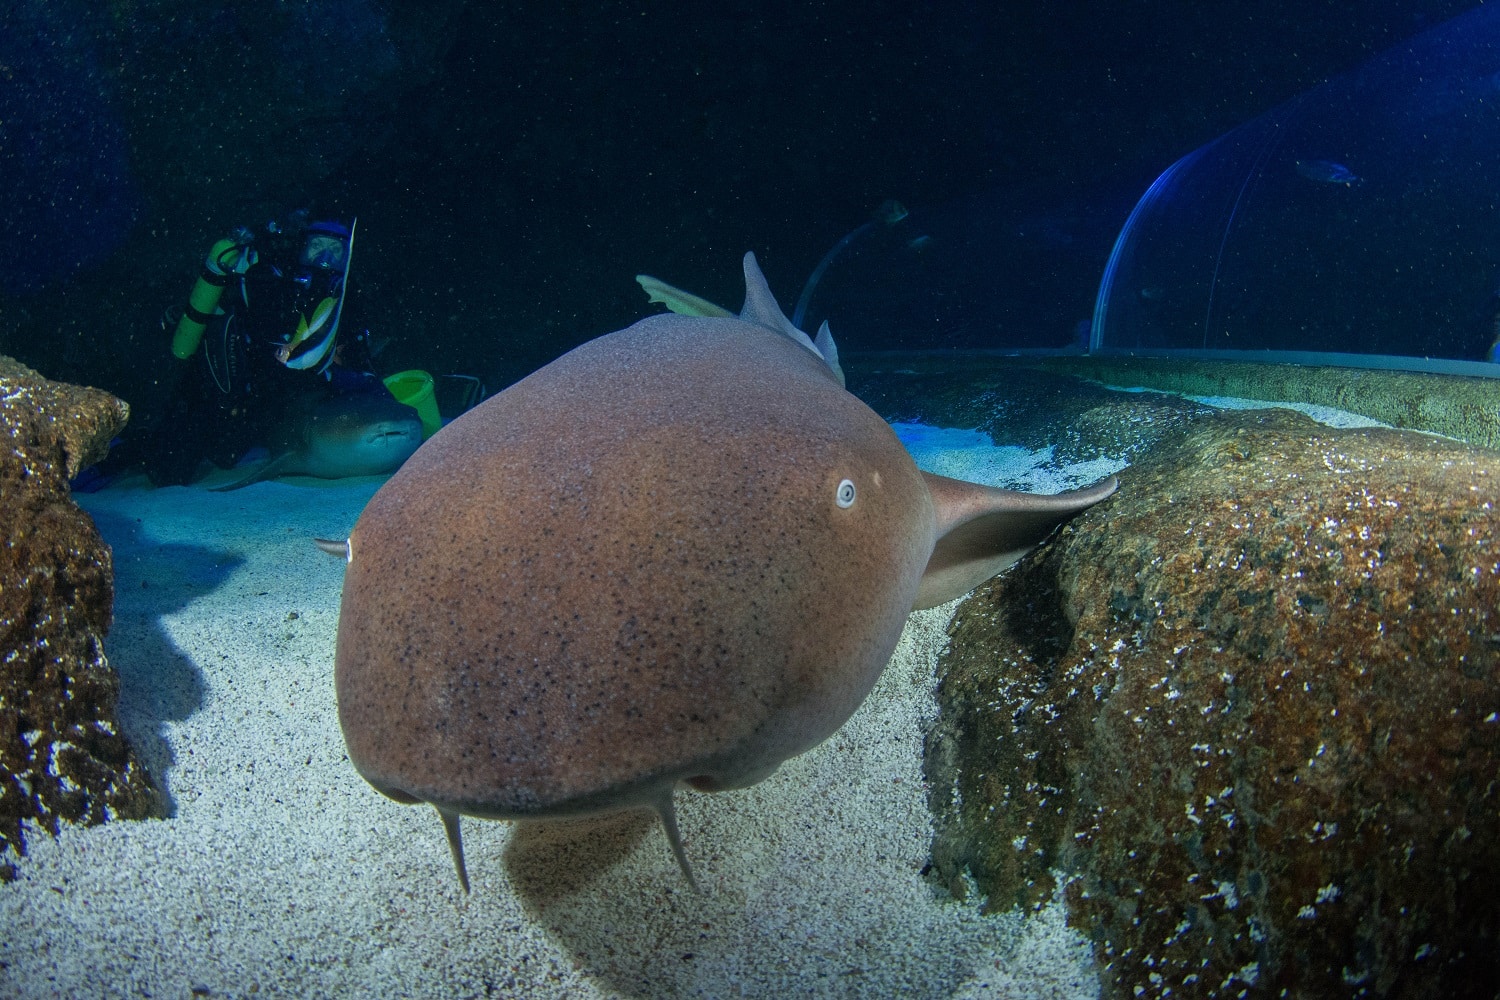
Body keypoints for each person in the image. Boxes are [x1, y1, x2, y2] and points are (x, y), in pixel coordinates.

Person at [137, 211, 385, 486]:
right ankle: (134, 445)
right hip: (242, 386)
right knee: (183, 465)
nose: (324, 257)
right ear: (301, 247)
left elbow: (361, 357)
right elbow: (258, 340)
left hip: (294, 393)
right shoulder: (270, 281)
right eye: (316, 246)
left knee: (228, 453)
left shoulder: (346, 297)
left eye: (335, 250)